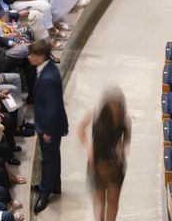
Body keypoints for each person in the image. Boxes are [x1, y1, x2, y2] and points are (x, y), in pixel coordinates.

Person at [78, 87, 131, 221]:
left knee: (113, 202)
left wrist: (121, 146)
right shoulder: (96, 114)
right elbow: (81, 128)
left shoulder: (124, 120)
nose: (115, 109)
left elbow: (127, 139)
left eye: (118, 105)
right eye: (112, 105)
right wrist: (88, 146)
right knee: (100, 204)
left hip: (115, 164)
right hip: (97, 162)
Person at [29, 40, 68, 214]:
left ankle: (44, 195)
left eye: (32, 54)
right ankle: (55, 186)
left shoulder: (49, 77)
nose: (29, 57)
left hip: (49, 127)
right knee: (53, 156)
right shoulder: (46, 70)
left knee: (47, 159)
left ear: (41, 56)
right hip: (48, 124)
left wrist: (47, 131)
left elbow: (53, 108)